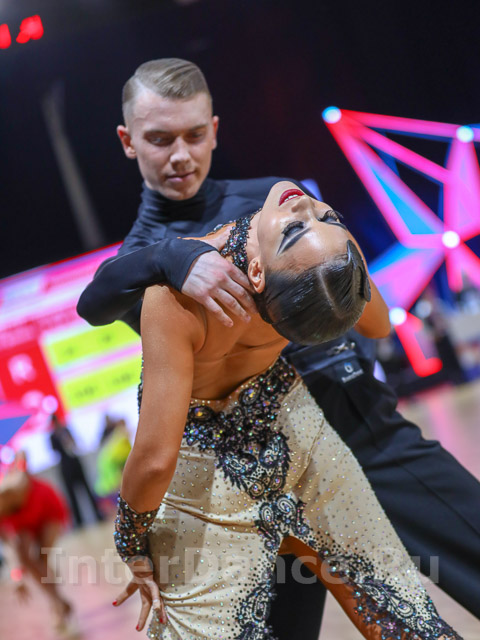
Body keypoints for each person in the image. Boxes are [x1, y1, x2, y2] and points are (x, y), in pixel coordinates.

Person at [77, 59, 480, 637]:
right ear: (128, 141)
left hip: (358, 427)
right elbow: (93, 304)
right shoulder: (142, 264)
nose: (181, 155)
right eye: (161, 139)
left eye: (195, 134)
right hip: (255, 475)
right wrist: (169, 256)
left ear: (215, 130)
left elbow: (371, 318)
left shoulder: (276, 201)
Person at [112, 181, 461, 639]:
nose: (305, 207)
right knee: (401, 613)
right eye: (324, 218)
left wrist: (130, 543)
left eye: (300, 229)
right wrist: (339, 257)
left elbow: (157, 459)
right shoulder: (317, 267)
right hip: (297, 436)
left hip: (207, 473)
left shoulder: (174, 297)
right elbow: (377, 326)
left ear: (257, 273)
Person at [0, 452, 75, 635]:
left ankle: (57, 605)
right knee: (25, 557)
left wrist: (20, 463)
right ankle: (57, 601)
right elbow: (10, 548)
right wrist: (17, 576)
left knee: (42, 557)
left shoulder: (16, 486)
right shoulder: (3, 511)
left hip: (46, 506)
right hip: (22, 518)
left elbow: (22, 459)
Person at [50, 413, 104, 527]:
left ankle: (97, 514)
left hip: (76, 464)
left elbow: (74, 442)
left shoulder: (66, 430)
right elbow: (54, 450)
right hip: (66, 468)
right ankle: (79, 521)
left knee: (87, 490)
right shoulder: (52, 436)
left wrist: (68, 440)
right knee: (72, 496)